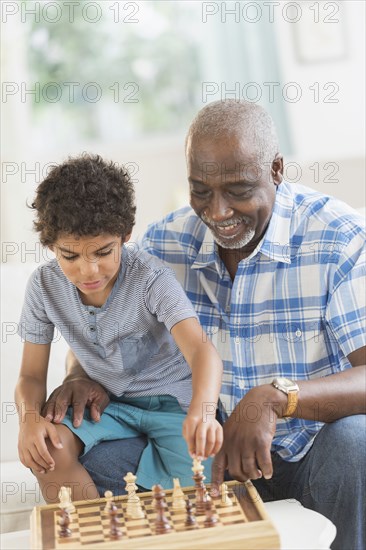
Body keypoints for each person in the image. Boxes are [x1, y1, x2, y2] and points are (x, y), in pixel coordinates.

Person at [42, 101, 365, 550]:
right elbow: (100, 330)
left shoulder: (338, 238)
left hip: (309, 455)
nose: (217, 212)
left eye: (237, 190)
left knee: (357, 440)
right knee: (103, 456)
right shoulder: (161, 244)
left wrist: (276, 400)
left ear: (275, 170)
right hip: (198, 455)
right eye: (200, 190)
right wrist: (78, 375)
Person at [15, 153, 223, 504]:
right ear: (51, 246)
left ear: (125, 235)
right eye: (70, 256)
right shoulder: (43, 286)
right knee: (48, 450)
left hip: (174, 404)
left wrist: (204, 413)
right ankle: (92, 536)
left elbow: (203, 351)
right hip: (109, 404)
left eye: (103, 251)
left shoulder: (150, 278)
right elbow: (31, 377)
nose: (89, 270)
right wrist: (29, 421)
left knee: (196, 497)